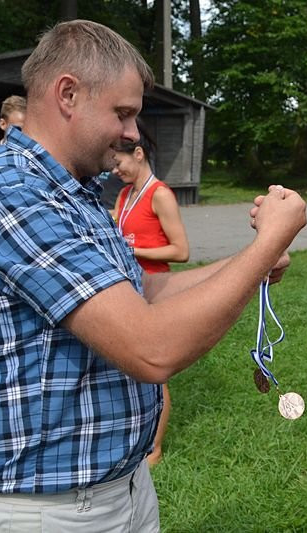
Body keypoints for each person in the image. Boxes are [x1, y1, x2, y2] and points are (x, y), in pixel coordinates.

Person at [0, 20, 305, 532]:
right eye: (123, 113)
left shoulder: (78, 193)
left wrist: (251, 263)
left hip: (119, 490)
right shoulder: (6, 194)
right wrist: (264, 248)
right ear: (68, 93)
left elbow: (140, 293)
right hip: (43, 511)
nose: (133, 133)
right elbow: (151, 348)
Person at [112, 120, 190, 465]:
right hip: (130, 291)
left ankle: (155, 447)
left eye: (119, 162)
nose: (115, 170)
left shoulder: (160, 194)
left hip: (157, 290)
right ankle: (132, 435)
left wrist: (135, 251)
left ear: (139, 153)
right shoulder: (125, 194)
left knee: (154, 373)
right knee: (129, 368)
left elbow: (181, 250)